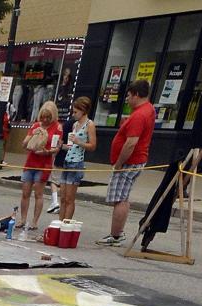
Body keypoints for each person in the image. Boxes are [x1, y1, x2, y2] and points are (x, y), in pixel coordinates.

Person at [99, 79, 155, 246]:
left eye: (129, 96)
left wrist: (118, 163)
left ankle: (116, 235)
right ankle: (116, 234)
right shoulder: (148, 109)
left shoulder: (139, 115)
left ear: (137, 95)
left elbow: (131, 143)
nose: (127, 100)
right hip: (135, 159)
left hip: (129, 162)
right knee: (121, 196)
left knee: (120, 198)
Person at [17, 101, 62, 240]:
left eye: (48, 117)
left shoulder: (57, 127)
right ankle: (23, 219)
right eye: (43, 117)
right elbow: (25, 144)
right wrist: (31, 138)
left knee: (38, 193)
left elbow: (57, 148)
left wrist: (47, 151)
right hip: (31, 162)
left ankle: (35, 221)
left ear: (53, 116)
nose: (45, 120)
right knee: (25, 192)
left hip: (44, 164)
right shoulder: (36, 125)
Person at [58, 96, 96, 222]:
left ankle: (66, 223)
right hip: (67, 161)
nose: (74, 114)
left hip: (76, 163)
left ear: (83, 111)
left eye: (76, 112)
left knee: (69, 198)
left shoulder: (89, 125)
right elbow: (70, 146)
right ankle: (60, 222)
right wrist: (61, 145)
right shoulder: (75, 125)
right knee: (63, 197)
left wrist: (79, 142)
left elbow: (92, 146)